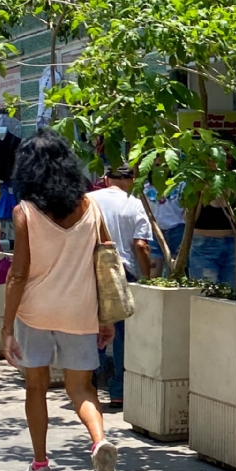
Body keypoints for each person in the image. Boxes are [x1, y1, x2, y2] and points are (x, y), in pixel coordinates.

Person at [2, 129, 119, 471]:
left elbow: (18, 273)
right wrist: (106, 317)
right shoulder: (92, 207)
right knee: (82, 388)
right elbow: (106, 263)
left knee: (36, 387)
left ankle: (40, 466)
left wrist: (6, 328)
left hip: (35, 312)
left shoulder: (25, 213)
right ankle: (99, 442)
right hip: (80, 311)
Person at [89, 165, 154, 407]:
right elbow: (141, 245)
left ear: (106, 179)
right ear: (132, 180)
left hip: (89, 269)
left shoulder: (88, 200)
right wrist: (146, 278)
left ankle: (88, 384)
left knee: (91, 327)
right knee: (121, 334)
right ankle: (118, 390)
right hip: (122, 271)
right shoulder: (135, 203)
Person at [144, 178, 187, 274]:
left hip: (178, 229)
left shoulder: (181, 184)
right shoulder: (144, 186)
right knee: (154, 268)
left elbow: (187, 208)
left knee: (176, 270)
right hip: (154, 230)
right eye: (157, 165)